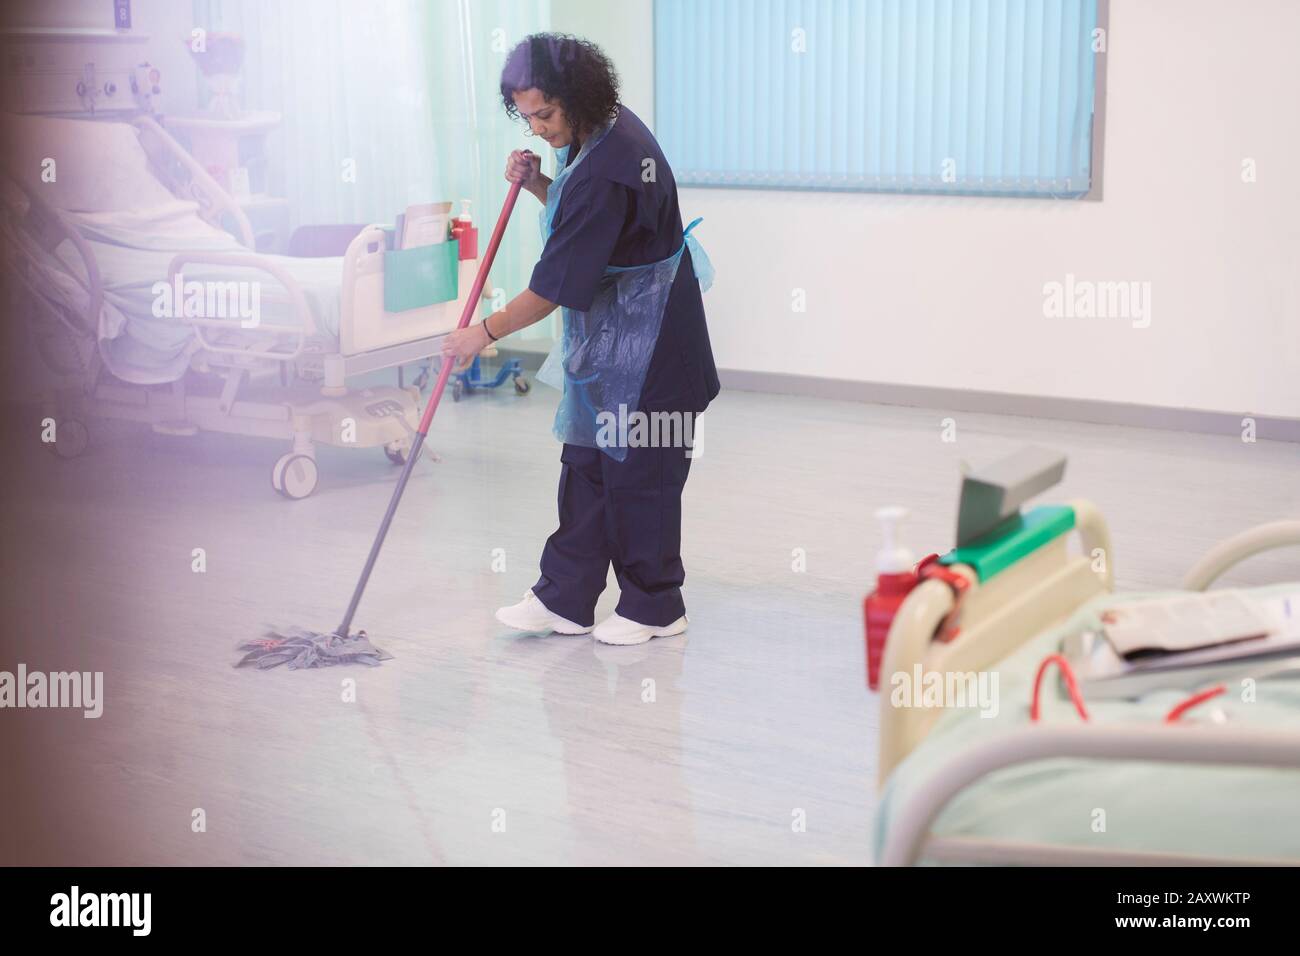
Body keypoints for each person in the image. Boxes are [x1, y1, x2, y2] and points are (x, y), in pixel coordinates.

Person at [440, 33, 719, 646]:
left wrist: (479, 335)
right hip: (614, 337)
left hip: (654, 346)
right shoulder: (599, 133)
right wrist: (542, 181)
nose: (536, 128)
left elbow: (555, 286)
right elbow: (587, 225)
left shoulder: (613, 165)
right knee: (587, 463)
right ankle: (566, 596)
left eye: (545, 114)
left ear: (578, 96)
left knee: (639, 471)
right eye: (527, 116)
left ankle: (655, 605)